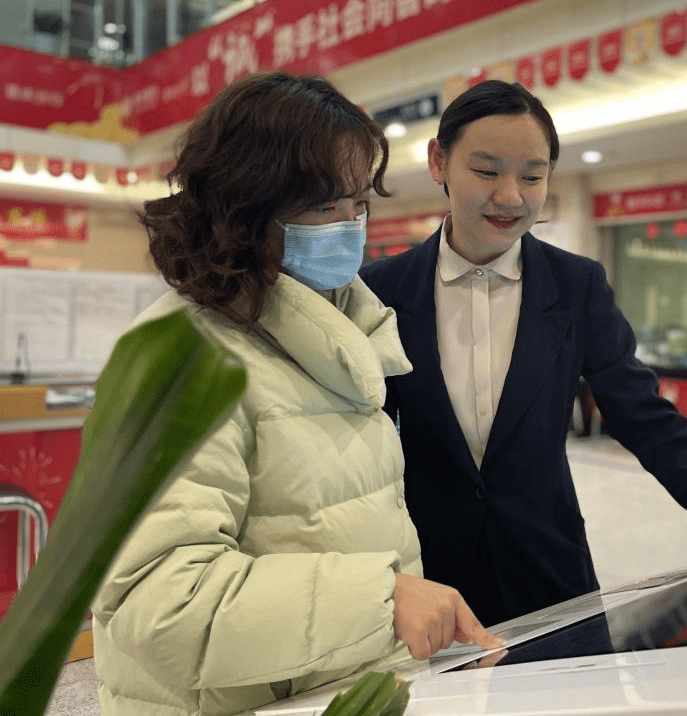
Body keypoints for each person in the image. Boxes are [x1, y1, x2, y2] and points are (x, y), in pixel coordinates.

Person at [361, 80, 687, 627]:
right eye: (487, 171)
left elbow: (645, 418)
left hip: (550, 573)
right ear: (438, 162)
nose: (511, 196)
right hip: (425, 576)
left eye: (532, 175)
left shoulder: (575, 286)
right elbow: (358, 448)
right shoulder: (379, 291)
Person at [91, 72, 501, 716]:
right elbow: (155, 602)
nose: (347, 227)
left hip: (331, 692)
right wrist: (380, 599)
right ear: (243, 205)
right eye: (321, 206)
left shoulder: (339, 337)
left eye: (359, 204)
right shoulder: (185, 361)